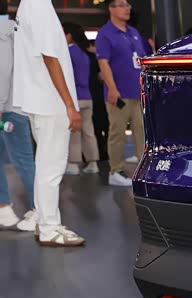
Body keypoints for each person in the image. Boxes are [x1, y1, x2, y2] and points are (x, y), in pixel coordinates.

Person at [13, 0, 85, 246]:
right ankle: (49, 228)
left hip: (40, 99)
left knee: (45, 166)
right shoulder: (39, 5)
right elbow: (50, 57)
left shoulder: (27, 5)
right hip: (51, 101)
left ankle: (43, 221)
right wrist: (69, 105)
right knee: (51, 168)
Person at [96, 0, 151, 187]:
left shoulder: (133, 32)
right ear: (111, 9)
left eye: (128, 5)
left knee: (141, 131)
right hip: (119, 93)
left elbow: (140, 60)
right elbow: (103, 63)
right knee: (117, 132)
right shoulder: (105, 34)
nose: (127, 8)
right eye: (122, 5)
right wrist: (112, 88)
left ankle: (144, 169)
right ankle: (115, 170)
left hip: (137, 91)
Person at [0, 2, 36, 232]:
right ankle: (4, 208)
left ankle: (40, 210)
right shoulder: (14, 29)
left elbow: (2, 72)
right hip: (13, 106)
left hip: (9, 109)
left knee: (23, 161)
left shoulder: (3, 33)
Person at [63, 22, 100, 176]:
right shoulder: (84, 53)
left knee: (74, 132)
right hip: (87, 96)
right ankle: (93, 162)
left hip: (74, 97)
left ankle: (73, 163)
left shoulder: (67, 53)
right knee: (88, 131)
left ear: (69, 36)